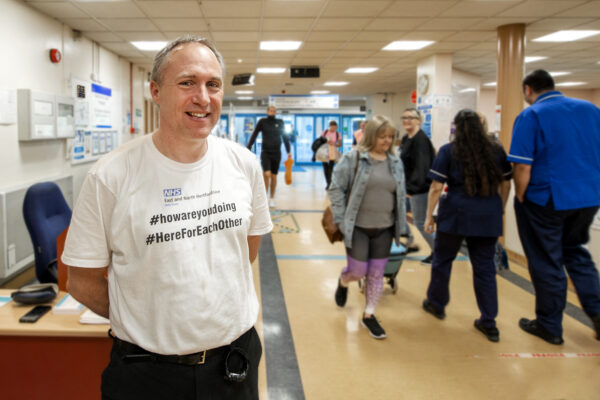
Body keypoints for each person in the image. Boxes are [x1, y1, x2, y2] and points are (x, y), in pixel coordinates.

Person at [62, 35, 273, 399]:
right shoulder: (111, 175)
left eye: (213, 85)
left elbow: (245, 252)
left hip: (233, 364)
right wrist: (149, 318)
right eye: (188, 82)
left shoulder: (244, 164)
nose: (203, 98)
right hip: (145, 373)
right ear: (156, 91)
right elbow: (81, 280)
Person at [508, 69, 600, 344]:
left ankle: (549, 326)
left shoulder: (531, 115)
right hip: (587, 197)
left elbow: (522, 165)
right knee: (575, 252)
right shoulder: (590, 109)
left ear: (527, 90)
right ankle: (598, 313)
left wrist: (521, 197)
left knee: (546, 260)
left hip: (547, 198)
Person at [421, 109, 512, 342]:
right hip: (487, 214)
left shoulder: (449, 151)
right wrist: (497, 208)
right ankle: (489, 321)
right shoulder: (496, 150)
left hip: (456, 214)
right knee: (485, 267)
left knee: (442, 260)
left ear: (457, 128)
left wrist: (429, 216)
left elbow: (436, 187)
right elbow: (505, 184)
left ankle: (437, 303)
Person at [329, 115, 408, 339]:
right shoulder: (353, 158)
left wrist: (403, 227)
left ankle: (369, 315)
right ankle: (344, 281)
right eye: (382, 137)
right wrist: (342, 219)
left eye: (391, 137)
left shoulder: (395, 162)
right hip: (358, 227)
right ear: (372, 136)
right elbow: (336, 188)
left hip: (385, 227)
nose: (387, 141)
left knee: (376, 274)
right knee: (357, 271)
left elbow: (400, 196)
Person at [400, 108, 436, 264]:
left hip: (419, 188)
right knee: (398, 215)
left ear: (418, 121)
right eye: (404, 117)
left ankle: (439, 252)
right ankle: (410, 242)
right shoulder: (406, 138)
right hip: (407, 187)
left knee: (421, 222)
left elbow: (422, 168)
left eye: (411, 118)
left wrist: (412, 190)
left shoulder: (420, 140)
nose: (407, 120)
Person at [247, 105, 291, 208]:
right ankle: (264, 197)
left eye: (274, 111)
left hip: (277, 153)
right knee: (267, 174)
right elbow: (254, 134)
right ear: (267, 112)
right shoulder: (262, 122)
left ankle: (271, 198)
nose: (272, 112)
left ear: (275, 112)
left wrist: (288, 151)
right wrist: (248, 147)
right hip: (265, 152)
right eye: (270, 110)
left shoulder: (280, 122)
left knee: (274, 176)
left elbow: (285, 137)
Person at [321, 120, 342, 189]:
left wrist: (334, 144)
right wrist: (326, 141)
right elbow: (320, 141)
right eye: (333, 127)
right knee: (325, 168)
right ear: (330, 126)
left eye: (335, 128)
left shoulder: (337, 134)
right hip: (324, 151)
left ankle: (329, 184)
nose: (334, 129)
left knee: (330, 168)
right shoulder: (325, 132)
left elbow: (340, 144)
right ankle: (328, 183)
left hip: (332, 152)